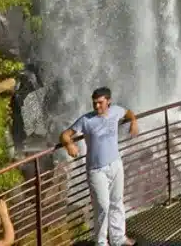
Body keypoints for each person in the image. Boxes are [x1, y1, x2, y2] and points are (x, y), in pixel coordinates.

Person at [60, 86, 139, 246]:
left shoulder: (116, 111)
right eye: (94, 103)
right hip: (96, 170)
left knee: (117, 201)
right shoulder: (86, 120)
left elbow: (129, 112)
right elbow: (65, 134)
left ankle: (118, 239)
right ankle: (101, 243)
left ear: (108, 101)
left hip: (115, 164)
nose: (97, 106)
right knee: (102, 206)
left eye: (100, 103)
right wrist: (69, 145)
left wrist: (134, 122)